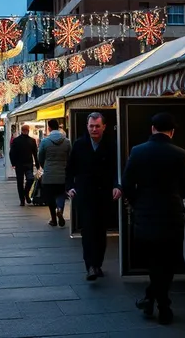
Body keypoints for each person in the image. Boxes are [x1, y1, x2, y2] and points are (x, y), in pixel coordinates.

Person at [121, 113, 185, 325]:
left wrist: (138, 202)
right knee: (167, 261)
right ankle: (162, 305)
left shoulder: (137, 151)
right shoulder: (180, 153)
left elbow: (126, 183)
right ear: (172, 132)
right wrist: (174, 197)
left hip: (145, 213)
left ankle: (154, 300)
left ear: (153, 128)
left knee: (154, 261)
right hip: (171, 214)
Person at [65, 112, 121, 281]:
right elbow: (70, 169)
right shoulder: (79, 144)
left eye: (97, 126)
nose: (94, 129)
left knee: (100, 232)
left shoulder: (112, 145)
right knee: (88, 231)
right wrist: (69, 187)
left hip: (104, 195)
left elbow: (117, 169)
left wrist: (117, 186)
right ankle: (90, 265)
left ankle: (98, 263)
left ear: (104, 127)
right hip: (85, 194)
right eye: (91, 126)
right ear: (87, 127)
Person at [38, 119, 72, 227]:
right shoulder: (67, 141)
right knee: (61, 194)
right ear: (59, 127)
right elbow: (71, 157)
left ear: (49, 128)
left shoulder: (45, 141)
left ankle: (53, 219)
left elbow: (40, 157)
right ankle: (60, 210)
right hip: (63, 173)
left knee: (50, 196)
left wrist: (45, 166)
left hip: (49, 173)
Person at [10, 124, 40, 206]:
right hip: (28, 164)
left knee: (21, 182)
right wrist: (37, 165)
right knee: (29, 179)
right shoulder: (31, 141)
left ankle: (23, 198)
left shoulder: (16, 140)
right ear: (28, 130)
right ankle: (25, 195)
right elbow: (35, 154)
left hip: (20, 164)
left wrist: (13, 163)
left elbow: (12, 153)